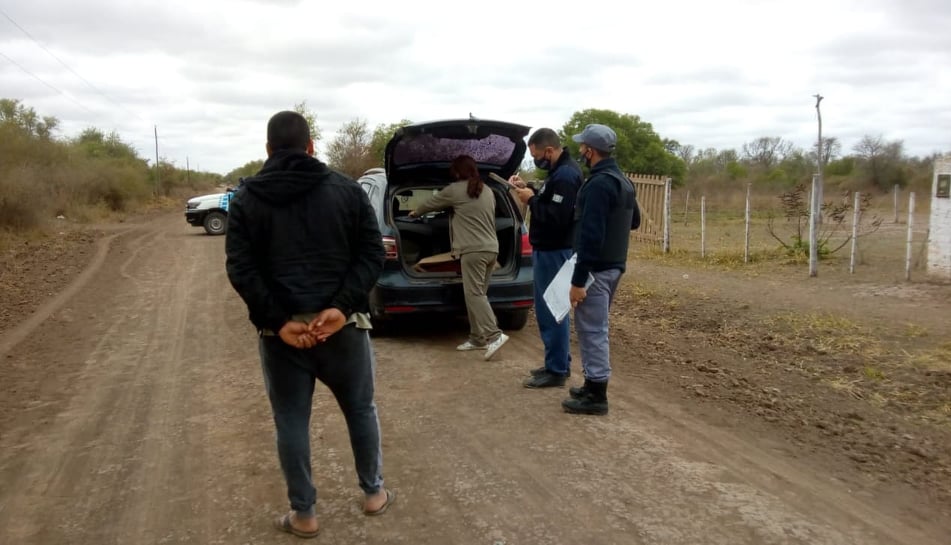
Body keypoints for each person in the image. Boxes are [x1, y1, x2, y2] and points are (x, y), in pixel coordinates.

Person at [225, 110, 394, 539]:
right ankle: (373, 494)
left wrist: (279, 322)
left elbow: (242, 270)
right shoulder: (347, 191)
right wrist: (340, 308)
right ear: (311, 146)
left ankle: (305, 515)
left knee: (291, 421)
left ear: (267, 150)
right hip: (344, 329)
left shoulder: (246, 199)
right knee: (360, 409)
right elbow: (372, 255)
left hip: (283, 338)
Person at [562, 124, 637, 416]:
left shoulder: (597, 185)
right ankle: (592, 383)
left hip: (596, 269)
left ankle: (596, 395)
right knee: (594, 327)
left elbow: (590, 235)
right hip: (615, 265)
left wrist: (579, 280)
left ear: (590, 151)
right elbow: (634, 221)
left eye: (582, 147)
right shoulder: (624, 181)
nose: (580, 151)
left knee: (592, 330)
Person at [410, 155, 509, 360]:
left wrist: (414, 213)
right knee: (478, 294)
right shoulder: (488, 190)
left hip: (473, 251)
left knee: (474, 295)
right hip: (492, 250)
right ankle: (477, 338)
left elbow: (431, 203)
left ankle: (494, 335)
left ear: (456, 172)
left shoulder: (454, 190)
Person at [509, 128, 583, 388]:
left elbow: (555, 217)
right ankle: (556, 362)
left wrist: (531, 201)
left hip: (555, 250)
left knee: (553, 310)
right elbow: (550, 202)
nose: (536, 159)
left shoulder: (565, 176)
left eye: (536, 154)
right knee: (547, 309)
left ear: (549, 151)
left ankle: (557, 370)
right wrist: (528, 189)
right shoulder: (558, 173)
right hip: (549, 249)